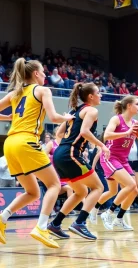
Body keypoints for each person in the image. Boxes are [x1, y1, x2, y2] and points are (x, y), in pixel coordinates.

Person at [0, 58, 74, 248]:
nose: (45, 75)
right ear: (35, 74)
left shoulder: (15, 93)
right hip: (26, 141)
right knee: (54, 184)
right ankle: (41, 227)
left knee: (32, 192)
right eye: (43, 72)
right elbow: (54, 117)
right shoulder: (42, 90)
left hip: (9, 143)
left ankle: (3, 217)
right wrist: (67, 118)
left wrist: (8, 117)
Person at [47, 83, 110, 240]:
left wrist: (71, 141)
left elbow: (59, 133)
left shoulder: (74, 111)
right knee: (99, 187)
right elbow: (84, 131)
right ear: (90, 96)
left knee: (81, 192)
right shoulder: (92, 110)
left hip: (60, 153)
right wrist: (102, 146)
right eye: (98, 93)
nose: (101, 95)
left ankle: (55, 224)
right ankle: (80, 223)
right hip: (71, 154)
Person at [91, 95, 138, 231]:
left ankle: (117, 218)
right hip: (110, 157)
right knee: (131, 184)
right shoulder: (116, 119)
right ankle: (108, 213)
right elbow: (107, 135)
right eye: (137, 104)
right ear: (129, 106)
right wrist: (126, 132)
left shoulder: (136, 123)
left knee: (122, 190)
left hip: (123, 159)